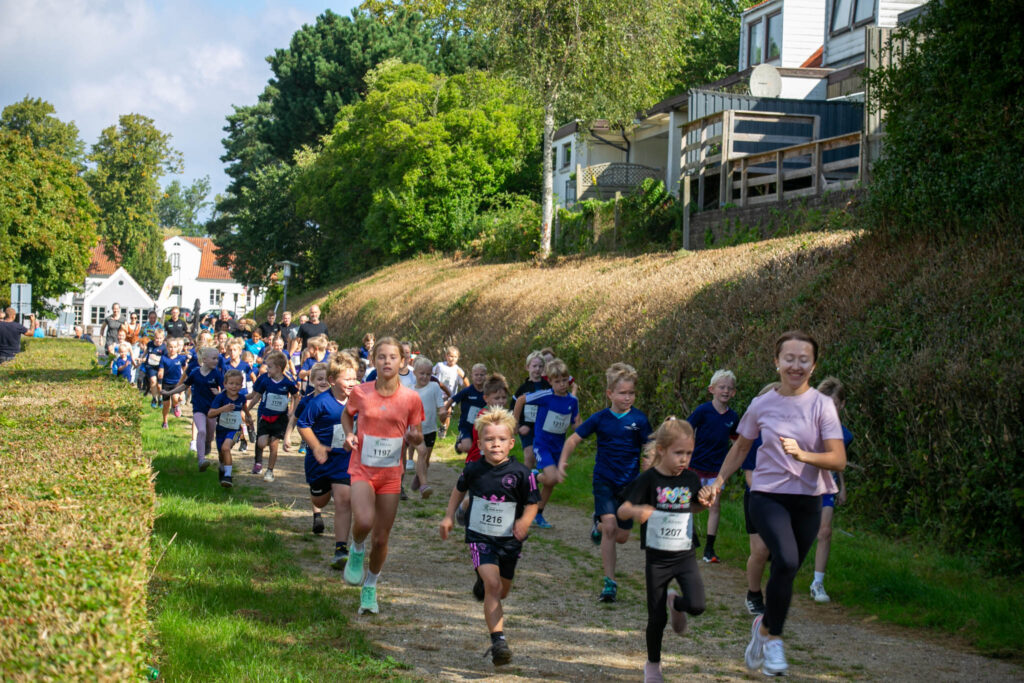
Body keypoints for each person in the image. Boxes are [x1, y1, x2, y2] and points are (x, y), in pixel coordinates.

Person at [699, 330, 846, 677]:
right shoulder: (761, 404)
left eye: (803, 359)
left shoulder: (822, 405)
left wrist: (803, 454)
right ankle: (776, 640)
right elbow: (741, 448)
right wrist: (718, 482)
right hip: (767, 495)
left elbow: (838, 459)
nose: (796, 365)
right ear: (776, 362)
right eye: (789, 358)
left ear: (813, 365)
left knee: (787, 569)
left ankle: (762, 631)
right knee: (787, 557)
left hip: (809, 498)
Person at [439, 408, 540, 667]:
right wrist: (449, 516)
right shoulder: (474, 469)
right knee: (494, 586)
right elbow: (457, 491)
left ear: (511, 443)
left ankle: (483, 583)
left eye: (501, 439)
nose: (495, 444)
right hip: (479, 537)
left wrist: (524, 522)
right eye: (489, 439)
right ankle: (498, 641)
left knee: (501, 590)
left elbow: (532, 503)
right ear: (480, 443)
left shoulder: (522, 473)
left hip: (509, 540)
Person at [618, 417, 708, 683]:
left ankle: (676, 604)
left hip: (684, 554)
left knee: (698, 605)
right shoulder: (649, 479)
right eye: (678, 453)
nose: (684, 459)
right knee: (655, 617)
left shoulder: (691, 478)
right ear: (662, 450)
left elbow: (692, 506)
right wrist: (637, 511)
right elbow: (623, 509)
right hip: (657, 559)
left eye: (689, 453)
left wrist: (705, 502)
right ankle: (653, 665)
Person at [341, 336, 425, 616]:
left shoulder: (411, 398)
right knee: (364, 521)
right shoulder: (361, 392)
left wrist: (414, 437)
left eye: (393, 357)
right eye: (381, 356)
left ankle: (371, 584)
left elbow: (416, 434)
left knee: (381, 538)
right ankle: (355, 548)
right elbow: (346, 415)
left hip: (391, 474)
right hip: (362, 469)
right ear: (374, 360)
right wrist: (350, 433)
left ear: (402, 363)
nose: (387, 361)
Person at [559, 362, 652, 603]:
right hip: (604, 481)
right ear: (610, 394)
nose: (627, 397)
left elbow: (649, 445)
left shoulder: (640, 420)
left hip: (629, 485)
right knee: (611, 529)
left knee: (620, 536)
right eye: (622, 393)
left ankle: (596, 525)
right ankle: (609, 583)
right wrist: (562, 464)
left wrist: (649, 464)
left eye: (631, 393)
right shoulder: (600, 418)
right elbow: (572, 441)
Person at [297, 354, 361, 569]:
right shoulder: (320, 402)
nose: (352, 383)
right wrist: (316, 446)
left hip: (344, 459)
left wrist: (356, 437)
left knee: (344, 499)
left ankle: (340, 548)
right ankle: (318, 493)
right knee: (320, 501)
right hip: (320, 460)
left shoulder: (358, 401)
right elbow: (303, 424)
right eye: (347, 379)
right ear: (333, 381)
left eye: (354, 378)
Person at [513, 358, 580, 529]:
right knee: (551, 477)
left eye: (564, 380)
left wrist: (583, 430)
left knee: (552, 482)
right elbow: (520, 400)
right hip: (542, 444)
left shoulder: (572, 401)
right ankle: (533, 475)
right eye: (557, 381)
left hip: (559, 446)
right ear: (549, 382)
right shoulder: (545, 396)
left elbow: (575, 423)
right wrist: (514, 422)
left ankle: (538, 514)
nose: (562, 385)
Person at [686, 369, 739, 564]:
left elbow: (737, 443)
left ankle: (709, 548)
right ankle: (689, 537)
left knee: (714, 504)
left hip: (718, 469)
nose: (725, 391)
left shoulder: (732, 417)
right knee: (691, 502)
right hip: (696, 465)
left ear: (733, 393)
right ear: (712, 389)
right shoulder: (702, 411)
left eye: (729, 388)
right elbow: (687, 430)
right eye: (721, 387)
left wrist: (743, 462)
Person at [810, 377, 853, 604]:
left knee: (825, 532)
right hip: (804, 485)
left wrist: (842, 486)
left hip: (828, 486)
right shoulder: (808, 427)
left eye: (834, 403)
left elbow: (839, 462)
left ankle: (817, 582)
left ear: (842, 405)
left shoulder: (845, 435)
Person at [739, 382, 779, 616]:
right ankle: (754, 594)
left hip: (784, 501)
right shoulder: (754, 437)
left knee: (781, 553)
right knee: (761, 550)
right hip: (757, 498)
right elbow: (749, 474)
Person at [164, 346, 224, 472]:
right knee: (201, 431)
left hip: (212, 410)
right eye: (213, 358)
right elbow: (184, 386)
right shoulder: (195, 373)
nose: (216, 361)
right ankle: (201, 460)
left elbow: (225, 391)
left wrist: (218, 394)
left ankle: (207, 443)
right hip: (198, 408)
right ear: (205, 359)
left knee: (210, 434)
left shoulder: (217, 374)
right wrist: (170, 393)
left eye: (217, 359)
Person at [248, 351, 299, 479]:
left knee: (274, 445)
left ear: (278, 368)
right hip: (265, 416)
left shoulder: (288, 382)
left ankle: (270, 471)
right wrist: (247, 409)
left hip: (280, 418)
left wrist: (292, 410)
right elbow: (256, 397)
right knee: (261, 443)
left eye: (269, 366)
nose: (267, 369)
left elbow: (296, 396)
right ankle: (261, 459)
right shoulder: (266, 381)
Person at [409, 356, 447, 501]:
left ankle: (419, 477)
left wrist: (443, 413)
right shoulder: (409, 391)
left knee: (425, 460)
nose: (425, 376)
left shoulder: (434, 387)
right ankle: (424, 485)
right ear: (415, 373)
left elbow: (441, 407)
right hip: (415, 430)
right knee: (422, 452)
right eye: (421, 373)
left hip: (430, 429)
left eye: (428, 374)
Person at [207, 369, 249, 488]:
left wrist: (249, 419)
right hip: (221, 429)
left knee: (226, 448)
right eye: (231, 383)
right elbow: (210, 414)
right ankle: (222, 468)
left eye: (237, 384)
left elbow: (244, 409)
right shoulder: (220, 398)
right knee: (222, 452)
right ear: (225, 384)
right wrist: (222, 409)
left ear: (241, 385)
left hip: (235, 430)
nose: (234, 387)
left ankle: (228, 476)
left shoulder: (241, 398)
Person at [511, 351, 550, 470]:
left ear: (544, 368)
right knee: (529, 456)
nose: (537, 369)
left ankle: (535, 482)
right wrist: (516, 424)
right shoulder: (523, 389)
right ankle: (526, 484)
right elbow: (513, 407)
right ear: (527, 367)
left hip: (543, 427)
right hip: (526, 428)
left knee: (542, 458)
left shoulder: (548, 387)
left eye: (540, 366)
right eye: (534, 366)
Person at [445, 363, 487, 455]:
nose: (479, 377)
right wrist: (444, 410)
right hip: (466, 425)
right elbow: (453, 399)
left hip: (481, 426)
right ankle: (459, 445)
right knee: (468, 447)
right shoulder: (467, 391)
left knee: (482, 450)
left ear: (485, 376)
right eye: (476, 375)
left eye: (481, 375)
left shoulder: (487, 392)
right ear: (472, 376)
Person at [433, 345, 468, 437]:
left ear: (458, 358)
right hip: (437, 394)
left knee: (447, 411)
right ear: (446, 356)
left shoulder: (458, 370)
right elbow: (431, 374)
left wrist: (462, 376)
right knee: (441, 414)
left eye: (455, 357)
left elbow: (467, 385)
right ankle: (442, 425)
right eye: (450, 356)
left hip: (450, 396)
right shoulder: (440, 365)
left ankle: (443, 432)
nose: (452, 359)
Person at [158, 338, 188, 428]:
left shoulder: (181, 358)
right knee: (166, 405)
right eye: (170, 347)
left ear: (178, 348)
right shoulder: (163, 358)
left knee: (175, 398)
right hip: (166, 383)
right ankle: (165, 422)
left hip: (177, 383)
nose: (172, 349)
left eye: (175, 347)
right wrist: (160, 374)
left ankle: (176, 406)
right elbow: (161, 370)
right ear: (167, 347)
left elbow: (185, 371)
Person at [142, 328, 168, 409]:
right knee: (153, 381)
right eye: (157, 338)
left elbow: (165, 359)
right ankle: (154, 399)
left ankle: (160, 399)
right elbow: (146, 351)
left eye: (160, 338)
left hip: (160, 367)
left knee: (159, 386)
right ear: (154, 337)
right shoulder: (150, 344)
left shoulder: (164, 348)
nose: (158, 340)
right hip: (150, 366)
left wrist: (156, 358)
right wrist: (142, 358)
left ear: (163, 338)